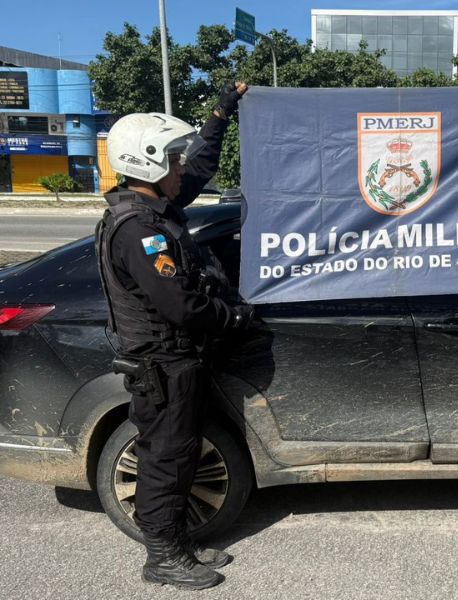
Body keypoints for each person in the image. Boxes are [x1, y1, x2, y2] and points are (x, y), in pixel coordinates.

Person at [95, 83, 252, 590]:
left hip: (176, 361)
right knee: (165, 458)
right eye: (172, 160)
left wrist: (222, 112)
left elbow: (202, 166)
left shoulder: (151, 209)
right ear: (147, 163)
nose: (181, 168)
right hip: (162, 364)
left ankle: (177, 542)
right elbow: (179, 303)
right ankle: (162, 557)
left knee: (181, 452)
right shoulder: (140, 229)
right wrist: (234, 317)